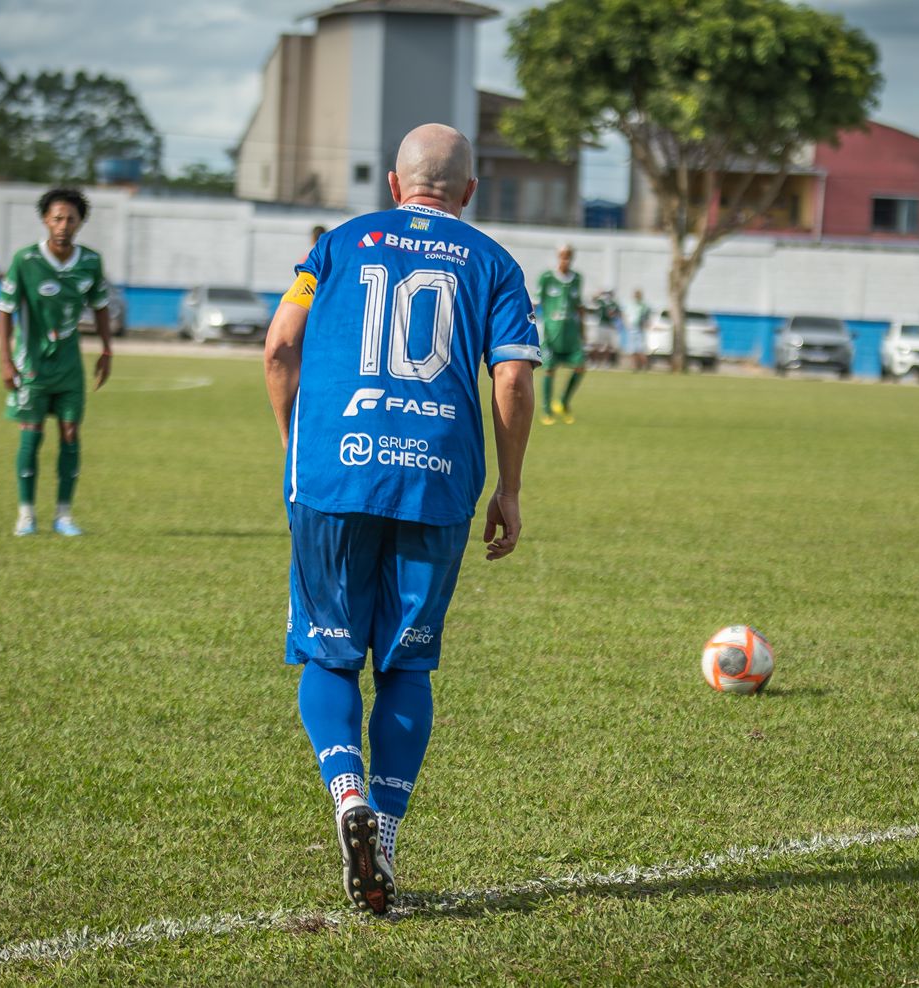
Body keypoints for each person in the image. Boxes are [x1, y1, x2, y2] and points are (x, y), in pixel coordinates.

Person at [263, 122, 538, 915]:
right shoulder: (494, 262)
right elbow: (513, 380)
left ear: (394, 185)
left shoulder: (336, 245)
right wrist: (510, 487)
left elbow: (280, 346)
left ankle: (345, 791)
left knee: (330, 653)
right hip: (437, 480)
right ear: (470, 192)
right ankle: (381, 833)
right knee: (407, 667)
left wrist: (295, 446)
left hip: (333, 471)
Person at [0, 189, 113, 537]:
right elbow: (4, 311)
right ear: (46, 220)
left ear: (80, 223)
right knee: (31, 436)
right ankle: (26, 514)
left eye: (70, 219)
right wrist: (5, 361)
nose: (63, 225)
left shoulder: (90, 261)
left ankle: (64, 515)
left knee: (71, 433)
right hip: (31, 365)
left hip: (69, 366)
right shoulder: (26, 260)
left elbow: (101, 306)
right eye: (57, 218)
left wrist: (107, 350)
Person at [536, 244, 585, 424]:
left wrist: (583, 332)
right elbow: (535, 304)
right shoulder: (547, 278)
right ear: (558, 257)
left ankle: (563, 402)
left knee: (580, 366)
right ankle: (546, 410)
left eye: (568, 256)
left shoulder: (577, 279)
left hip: (571, 335)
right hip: (550, 334)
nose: (565, 260)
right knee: (549, 369)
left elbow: (579, 307)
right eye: (563, 256)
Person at [623, 288, 651, 372]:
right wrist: (627, 324)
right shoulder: (630, 305)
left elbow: (646, 318)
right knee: (632, 349)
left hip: (639, 329)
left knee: (640, 349)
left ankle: (645, 365)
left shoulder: (644, 306)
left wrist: (645, 325)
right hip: (631, 328)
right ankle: (634, 367)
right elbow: (625, 315)